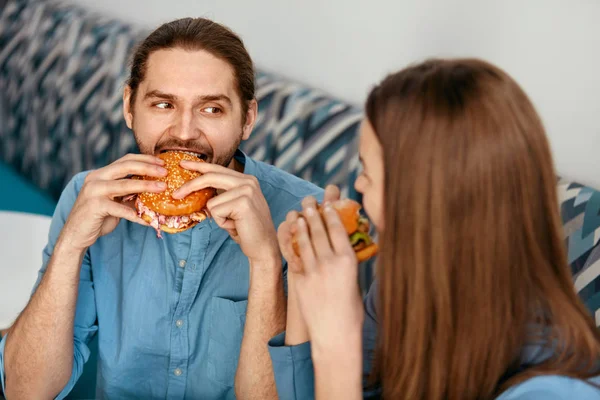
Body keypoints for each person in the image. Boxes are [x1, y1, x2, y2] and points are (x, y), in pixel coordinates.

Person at [0, 18, 325, 400]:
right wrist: (71, 244)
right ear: (129, 107)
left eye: (211, 109)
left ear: (248, 119)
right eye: (163, 104)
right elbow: (26, 392)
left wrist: (267, 262)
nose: (184, 132)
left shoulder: (308, 217)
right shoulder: (87, 197)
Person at [271, 58, 600, 399]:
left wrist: (336, 345)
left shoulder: (554, 392)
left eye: (367, 171)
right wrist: (301, 275)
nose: (358, 184)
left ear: (421, 195)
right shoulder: (401, 291)